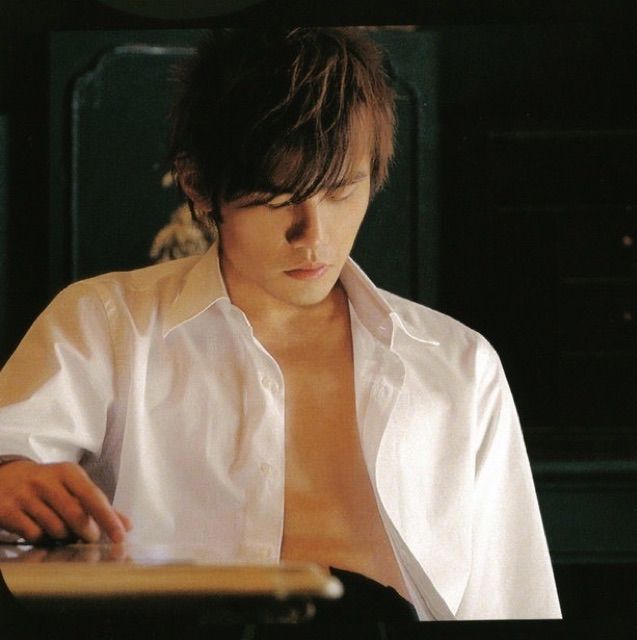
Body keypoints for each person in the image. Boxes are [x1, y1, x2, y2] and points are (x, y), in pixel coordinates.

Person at [0, 27, 561, 621]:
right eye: (275, 198)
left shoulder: (459, 366)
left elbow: (511, 604)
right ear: (199, 186)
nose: (312, 236)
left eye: (341, 193)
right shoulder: (105, 325)